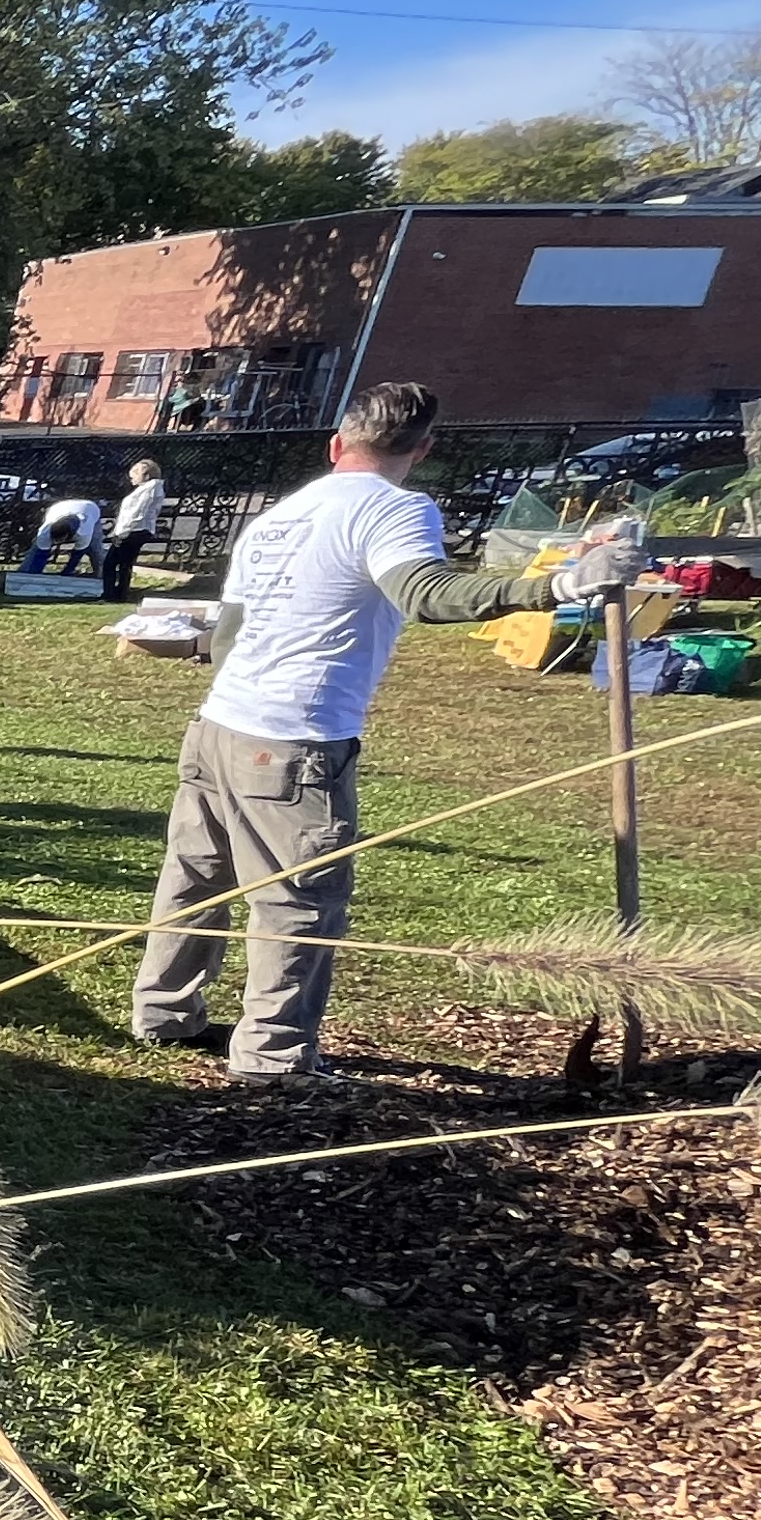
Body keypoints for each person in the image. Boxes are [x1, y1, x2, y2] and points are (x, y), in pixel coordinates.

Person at [131, 381, 643, 1083]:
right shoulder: (394, 508)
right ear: (423, 448)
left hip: (218, 725)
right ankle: (273, 1060)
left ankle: (165, 1014)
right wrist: (559, 586)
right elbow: (427, 593)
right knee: (297, 902)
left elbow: (228, 634)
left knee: (195, 879)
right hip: (294, 740)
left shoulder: (283, 514)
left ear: (336, 445)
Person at [105, 457, 167, 600]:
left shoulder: (150, 489)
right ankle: (119, 593)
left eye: (134, 474)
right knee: (124, 564)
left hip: (133, 531)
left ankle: (111, 594)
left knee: (111, 563)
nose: (131, 478)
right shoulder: (148, 489)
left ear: (145, 475)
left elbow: (137, 513)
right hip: (134, 530)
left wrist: (122, 533)